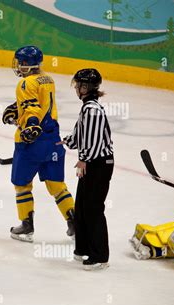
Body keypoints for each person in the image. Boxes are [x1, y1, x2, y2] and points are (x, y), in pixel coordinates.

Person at [2, 46, 75, 243]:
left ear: (26, 64)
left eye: (19, 62)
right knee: (57, 185)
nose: (17, 65)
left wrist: (30, 125)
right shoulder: (47, 78)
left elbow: (32, 108)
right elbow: (38, 104)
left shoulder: (25, 83)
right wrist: (18, 111)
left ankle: (26, 226)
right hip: (53, 140)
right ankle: (74, 222)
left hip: (31, 143)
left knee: (22, 184)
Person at [60, 68, 114, 271]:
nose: (76, 88)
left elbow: (91, 141)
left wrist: (83, 160)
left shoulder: (91, 110)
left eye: (78, 85)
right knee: (82, 206)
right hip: (93, 162)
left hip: (99, 164)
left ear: (85, 87)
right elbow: (79, 135)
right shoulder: (87, 107)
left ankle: (100, 256)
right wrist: (65, 141)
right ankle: (83, 248)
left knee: (93, 209)